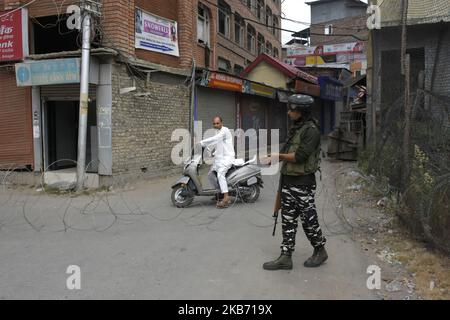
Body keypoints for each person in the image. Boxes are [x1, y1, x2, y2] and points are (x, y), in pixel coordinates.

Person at [263, 94, 328, 270]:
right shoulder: (296, 128)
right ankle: (286, 256)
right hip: (288, 181)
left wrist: (278, 156)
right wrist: (273, 158)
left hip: (303, 183)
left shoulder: (311, 130)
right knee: (288, 219)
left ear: (302, 111)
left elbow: (299, 156)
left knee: (308, 220)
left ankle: (320, 250)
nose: (289, 112)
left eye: (292, 109)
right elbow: (287, 152)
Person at [199, 116, 235, 209]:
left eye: (217, 123)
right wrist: (212, 152)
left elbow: (216, 138)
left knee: (220, 174)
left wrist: (201, 142)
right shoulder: (218, 132)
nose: (215, 125)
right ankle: (220, 193)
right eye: (214, 123)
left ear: (221, 123)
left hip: (227, 158)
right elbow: (218, 144)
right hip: (220, 159)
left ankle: (226, 197)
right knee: (211, 174)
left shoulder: (225, 130)